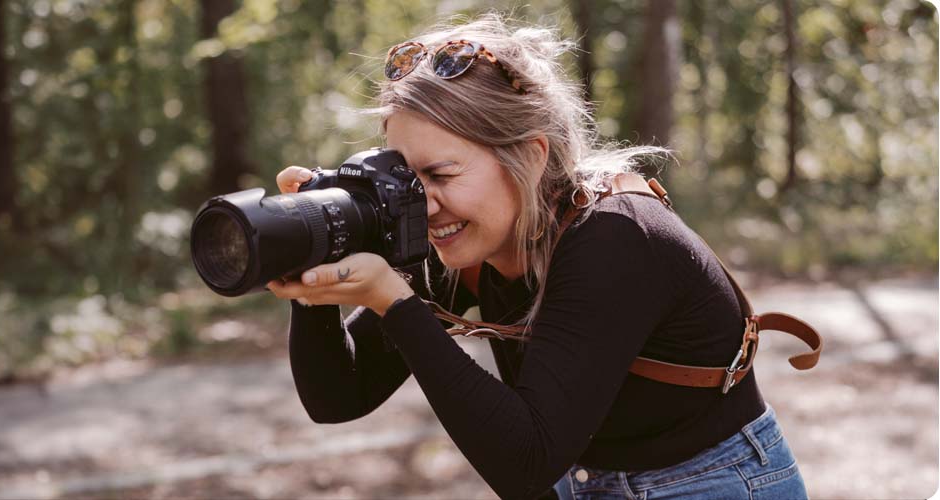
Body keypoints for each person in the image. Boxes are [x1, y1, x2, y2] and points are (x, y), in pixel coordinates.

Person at [267, 14, 809, 500]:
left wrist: (397, 302)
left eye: (441, 174)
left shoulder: (615, 237)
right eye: (407, 177)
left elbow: (524, 464)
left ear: (528, 155)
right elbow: (338, 397)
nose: (421, 202)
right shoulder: (464, 236)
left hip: (711, 484)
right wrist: (312, 270)